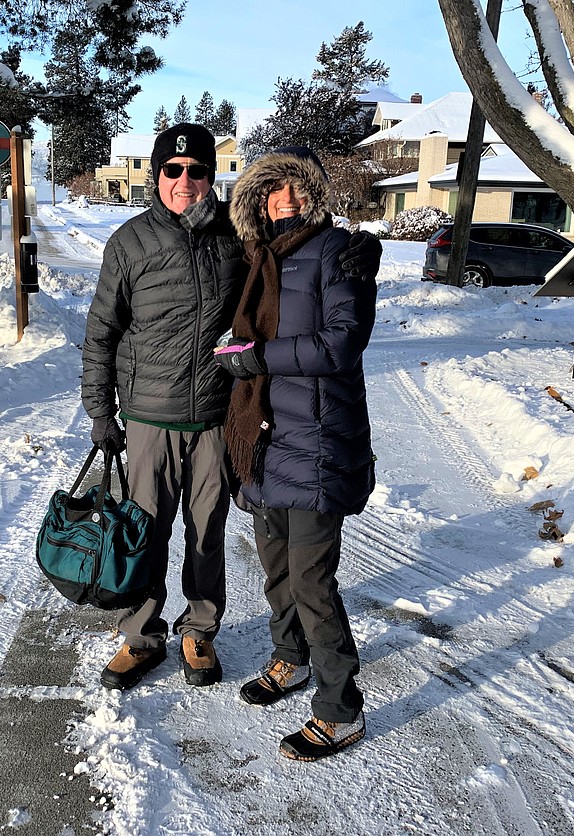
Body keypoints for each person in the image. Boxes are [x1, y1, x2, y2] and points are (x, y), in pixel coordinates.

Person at [81, 126, 382, 693]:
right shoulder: (129, 242)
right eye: (173, 170)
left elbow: (292, 260)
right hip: (147, 418)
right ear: (156, 176)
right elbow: (101, 332)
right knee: (144, 533)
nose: (185, 181)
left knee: (207, 533)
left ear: (210, 178)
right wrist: (101, 409)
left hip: (218, 417)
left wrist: (357, 249)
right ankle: (142, 636)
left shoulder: (236, 239)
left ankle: (200, 630)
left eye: (197, 170)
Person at [215, 146, 377, 761]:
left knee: (312, 581)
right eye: (269, 191)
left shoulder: (340, 254)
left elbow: (340, 344)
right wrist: (234, 355)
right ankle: (291, 659)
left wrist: (255, 358)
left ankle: (340, 709)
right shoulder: (259, 260)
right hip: (263, 439)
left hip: (315, 442)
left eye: (293, 188)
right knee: (277, 571)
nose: (282, 200)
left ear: (313, 194)